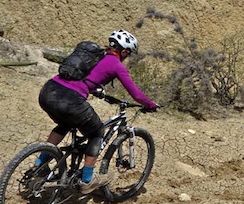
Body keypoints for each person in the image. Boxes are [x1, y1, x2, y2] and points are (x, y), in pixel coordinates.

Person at [37, 29, 158, 192]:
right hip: (70, 99)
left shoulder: (93, 56)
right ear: (123, 51)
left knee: (65, 123)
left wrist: (97, 91)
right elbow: (135, 94)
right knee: (97, 132)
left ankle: (39, 165)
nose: (127, 57)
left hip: (48, 91)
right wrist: (150, 104)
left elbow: (86, 78)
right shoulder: (116, 65)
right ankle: (86, 180)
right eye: (128, 53)